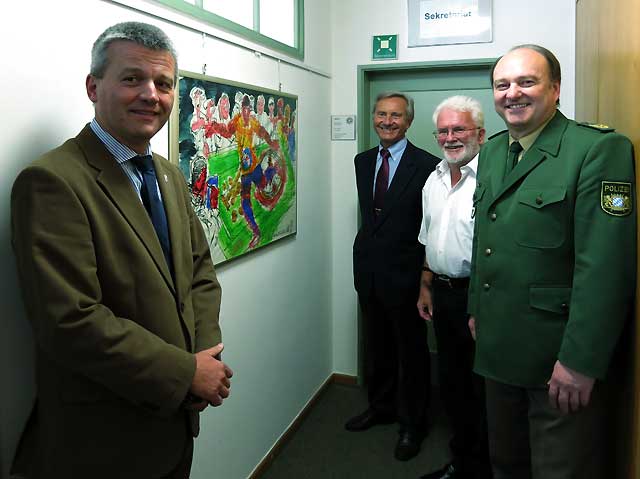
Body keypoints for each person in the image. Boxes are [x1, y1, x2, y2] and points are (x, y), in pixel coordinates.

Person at [10, 22, 233, 479]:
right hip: (105, 438)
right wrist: (183, 372)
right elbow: (70, 321)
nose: (151, 94)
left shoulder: (168, 175)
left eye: (164, 84)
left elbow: (198, 269)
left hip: (172, 424)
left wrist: (205, 345)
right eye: (133, 78)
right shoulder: (53, 180)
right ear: (94, 87)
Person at [468, 44, 636, 478]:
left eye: (527, 82)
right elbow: (484, 239)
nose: (512, 93)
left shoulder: (597, 150)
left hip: (556, 361)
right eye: (502, 85)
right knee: (506, 464)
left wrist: (581, 361)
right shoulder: (491, 153)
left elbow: (604, 268)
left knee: (559, 471)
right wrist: (475, 308)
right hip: (498, 348)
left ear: (555, 88)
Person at [348, 91, 439, 461]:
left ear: (409, 121)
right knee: (377, 346)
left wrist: (425, 280)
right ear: (374, 117)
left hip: (407, 279)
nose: (388, 121)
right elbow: (373, 220)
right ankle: (381, 407)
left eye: (396, 116)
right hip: (369, 273)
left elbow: (431, 227)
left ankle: (412, 424)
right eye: (382, 114)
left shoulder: (429, 165)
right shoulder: (363, 161)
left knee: (412, 353)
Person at [417, 96, 492, 479]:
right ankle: (463, 463)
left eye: (458, 129)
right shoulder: (434, 179)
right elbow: (429, 238)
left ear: (480, 133)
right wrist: (426, 285)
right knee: (453, 382)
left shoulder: (495, 177)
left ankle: (485, 468)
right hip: (444, 296)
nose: (450, 137)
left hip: (481, 298)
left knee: (485, 387)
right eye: (443, 130)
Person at [205, 94, 280, 249]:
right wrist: (215, 126)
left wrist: (271, 143)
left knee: (264, 186)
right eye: (243, 109)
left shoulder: (253, 122)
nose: (245, 112)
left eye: (248, 109)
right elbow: (227, 131)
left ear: (250, 109)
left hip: (255, 166)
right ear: (241, 109)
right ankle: (255, 232)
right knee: (245, 200)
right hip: (245, 170)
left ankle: (272, 170)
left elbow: (263, 133)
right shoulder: (236, 121)